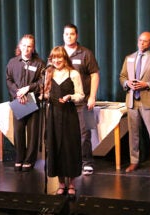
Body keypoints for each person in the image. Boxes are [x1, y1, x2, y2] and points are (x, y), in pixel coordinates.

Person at [119, 31, 150, 174]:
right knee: (133, 134)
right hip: (132, 101)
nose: (142, 43)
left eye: (145, 41)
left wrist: (146, 84)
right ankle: (134, 161)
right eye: (140, 40)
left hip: (149, 101)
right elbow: (122, 76)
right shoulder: (129, 58)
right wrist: (127, 83)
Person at [42, 46, 84, 198]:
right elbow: (46, 93)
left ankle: (71, 184)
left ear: (65, 58)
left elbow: (80, 95)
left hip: (68, 115)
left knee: (69, 148)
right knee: (55, 147)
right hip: (53, 115)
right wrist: (44, 96)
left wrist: (69, 97)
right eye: (54, 58)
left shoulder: (73, 73)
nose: (57, 60)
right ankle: (61, 184)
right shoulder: (48, 73)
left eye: (60, 57)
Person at [63, 23, 100, 176]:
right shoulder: (58, 53)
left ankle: (86, 162)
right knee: (65, 133)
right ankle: (69, 161)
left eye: (72, 34)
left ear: (76, 35)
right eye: (66, 34)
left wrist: (92, 96)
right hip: (63, 101)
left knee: (84, 133)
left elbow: (95, 75)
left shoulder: (85, 53)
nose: (69, 37)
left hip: (82, 101)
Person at [6, 34, 45, 172]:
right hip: (18, 101)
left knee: (33, 132)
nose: (26, 48)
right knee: (18, 131)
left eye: (29, 46)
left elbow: (42, 82)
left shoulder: (39, 63)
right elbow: (8, 80)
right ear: (19, 46)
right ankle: (19, 158)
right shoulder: (12, 62)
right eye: (24, 45)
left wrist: (28, 89)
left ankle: (29, 160)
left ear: (33, 48)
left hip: (32, 101)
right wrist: (18, 93)